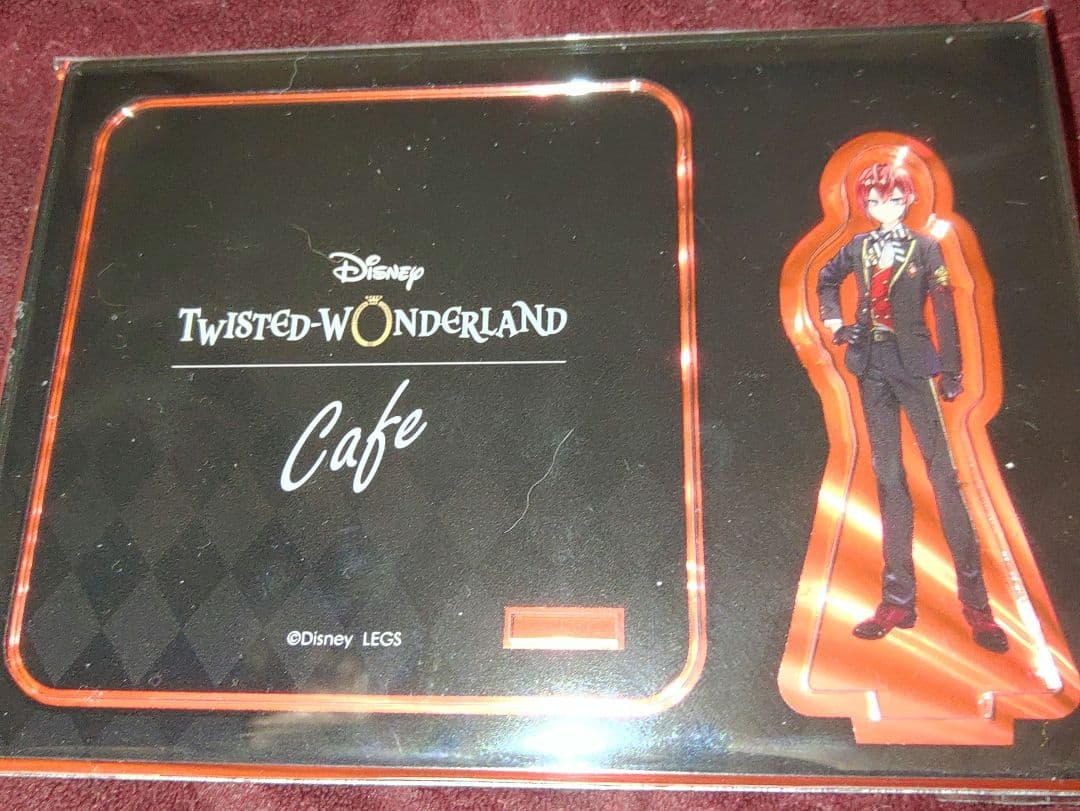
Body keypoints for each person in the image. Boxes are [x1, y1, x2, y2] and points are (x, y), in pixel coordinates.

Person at [817, 161, 1008, 653]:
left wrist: (952, 369)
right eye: (875, 200)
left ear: (907, 200)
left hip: (914, 365)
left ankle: (977, 607)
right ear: (866, 204)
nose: (884, 207)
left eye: (893, 199)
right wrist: (837, 325)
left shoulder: (925, 248)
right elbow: (825, 279)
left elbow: (945, 306)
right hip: (870, 364)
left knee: (944, 477)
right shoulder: (859, 246)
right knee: (888, 479)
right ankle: (898, 600)